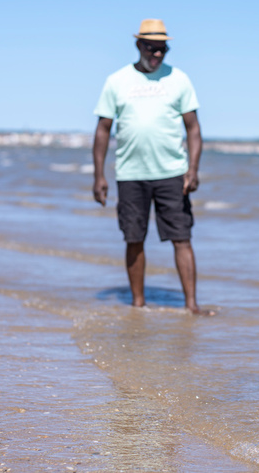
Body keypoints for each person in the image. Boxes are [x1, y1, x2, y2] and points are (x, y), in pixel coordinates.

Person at [92, 19, 212, 315]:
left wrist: (193, 169)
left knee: (182, 237)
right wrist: (99, 175)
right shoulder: (117, 81)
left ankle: (192, 305)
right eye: (152, 48)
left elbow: (193, 129)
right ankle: (137, 304)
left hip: (172, 173)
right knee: (134, 237)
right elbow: (103, 130)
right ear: (138, 45)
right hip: (131, 174)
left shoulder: (179, 79)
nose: (158, 54)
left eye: (163, 49)